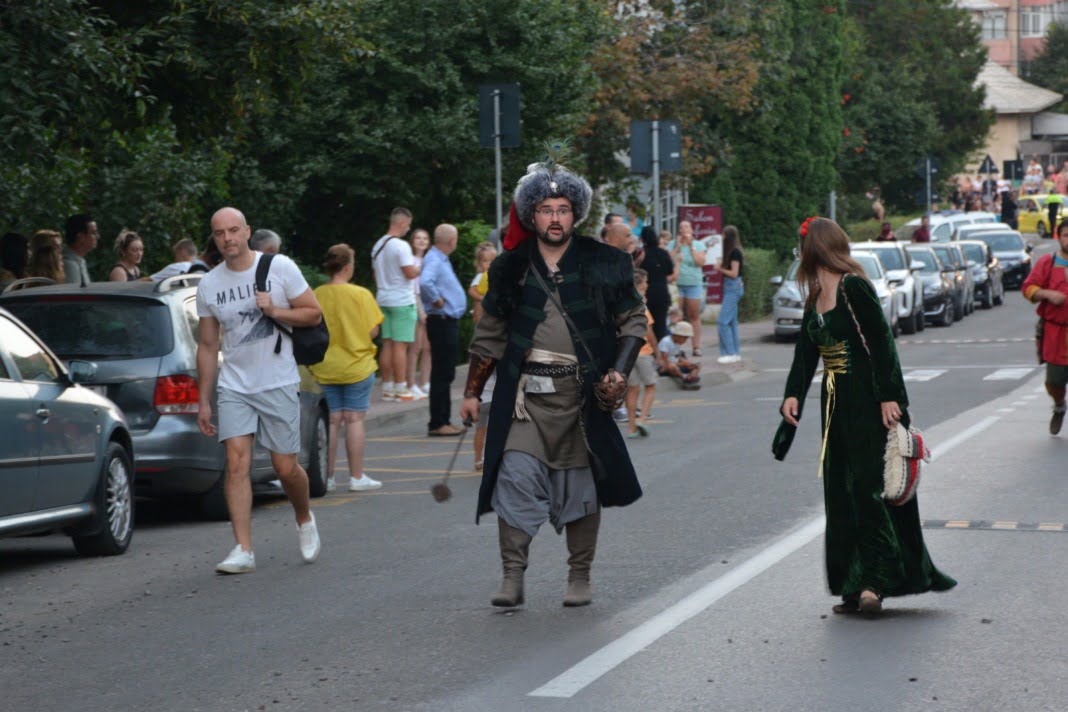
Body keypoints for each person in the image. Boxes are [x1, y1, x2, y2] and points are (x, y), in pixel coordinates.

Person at [459, 156, 647, 608]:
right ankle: (512, 576)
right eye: (546, 209)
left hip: (581, 397)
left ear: (575, 214)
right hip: (524, 399)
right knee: (513, 478)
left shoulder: (606, 262)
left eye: (563, 209)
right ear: (532, 215)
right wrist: (471, 392)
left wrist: (619, 370)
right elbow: (490, 333)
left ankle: (579, 576)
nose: (555, 218)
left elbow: (634, 320)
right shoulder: (509, 268)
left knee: (581, 489)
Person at [776, 216, 956, 614]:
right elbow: (806, 352)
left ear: (815, 248)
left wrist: (889, 396)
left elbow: (881, 341)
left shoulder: (853, 286)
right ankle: (852, 584)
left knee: (868, 490)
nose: (799, 252)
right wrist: (792, 394)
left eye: (802, 245)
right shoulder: (814, 295)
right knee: (839, 494)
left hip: (866, 401)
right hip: (834, 405)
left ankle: (876, 581)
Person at [195, 207, 323, 574]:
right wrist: (203, 400)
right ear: (214, 238)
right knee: (237, 464)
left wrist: (277, 311)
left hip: (277, 380)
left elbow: (313, 313)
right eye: (220, 233)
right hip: (235, 384)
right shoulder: (209, 284)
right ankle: (243, 549)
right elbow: (208, 345)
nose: (228, 238)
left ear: (247, 231)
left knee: (285, 467)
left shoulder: (279, 267)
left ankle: (304, 517)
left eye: (234, 230)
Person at [309, 244, 384, 491]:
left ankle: (327, 477)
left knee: (332, 421)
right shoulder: (361, 294)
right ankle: (356, 477)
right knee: (354, 419)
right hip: (357, 365)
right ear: (348, 266)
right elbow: (373, 331)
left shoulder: (317, 294)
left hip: (325, 366)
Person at [420, 223, 467, 437]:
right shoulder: (435, 259)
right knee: (442, 372)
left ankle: (443, 420)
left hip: (445, 320)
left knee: (445, 372)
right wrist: (436, 299)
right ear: (452, 241)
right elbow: (425, 282)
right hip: (442, 320)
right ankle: (438, 422)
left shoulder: (439, 259)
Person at [1023, 222, 1068, 435]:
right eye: (1066, 235)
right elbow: (1028, 287)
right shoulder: (1047, 263)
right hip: (1056, 334)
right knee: (1054, 381)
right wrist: (1047, 294)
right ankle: (1059, 405)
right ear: (1059, 237)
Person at [371, 208, 420, 402]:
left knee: (388, 344)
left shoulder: (378, 245)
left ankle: (387, 387)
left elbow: (375, 274)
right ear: (402, 223)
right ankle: (401, 388)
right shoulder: (401, 246)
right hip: (402, 301)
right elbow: (409, 273)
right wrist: (418, 268)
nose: (408, 229)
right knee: (400, 346)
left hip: (383, 299)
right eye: (408, 225)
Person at [625, 269, 657, 438]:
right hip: (643, 351)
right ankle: (642, 418)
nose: (647, 285)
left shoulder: (623, 305)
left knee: (632, 389)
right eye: (645, 282)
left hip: (627, 352)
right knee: (650, 386)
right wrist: (657, 352)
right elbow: (649, 332)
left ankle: (631, 427)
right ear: (639, 286)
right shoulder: (641, 306)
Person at [669, 220, 707, 356]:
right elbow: (667, 260)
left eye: (686, 227)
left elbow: (700, 262)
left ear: (691, 230)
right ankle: (675, 348)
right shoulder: (673, 244)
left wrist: (692, 247)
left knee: (694, 316)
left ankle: (696, 347)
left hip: (693, 283)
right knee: (676, 315)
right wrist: (677, 247)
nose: (684, 229)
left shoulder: (698, 244)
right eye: (681, 227)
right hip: (677, 284)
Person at [406, 228, 432, 400]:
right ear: (412, 241)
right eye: (418, 238)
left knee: (428, 347)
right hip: (415, 306)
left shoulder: (429, 261)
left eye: (425, 238)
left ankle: (425, 382)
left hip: (430, 308)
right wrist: (421, 312)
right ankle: (411, 383)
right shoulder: (410, 261)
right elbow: (413, 289)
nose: (422, 241)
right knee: (416, 348)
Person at [712, 225, 745, 364]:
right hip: (731, 287)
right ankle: (735, 353)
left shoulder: (735, 252)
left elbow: (734, 273)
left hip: (733, 287)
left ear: (728, 237)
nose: (722, 237)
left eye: (724, 234)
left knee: (722, 321)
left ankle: (729, 353)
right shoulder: (730, 252)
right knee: (732, 322)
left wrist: (720, 269)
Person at [639, 226, 675, 342]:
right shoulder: (663, 253)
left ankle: (650, 349)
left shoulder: (641, 254)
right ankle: (660, 349)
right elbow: (670, 271)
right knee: (661, 325)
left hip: (646, 292)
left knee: (646, 325)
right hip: (661, 292)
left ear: (642, 239)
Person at [657, 320, 700, 389]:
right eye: (685, 338)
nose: (685, 341)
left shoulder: (677, 343)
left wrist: (687, 363)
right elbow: (664, 361)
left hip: (676, 365)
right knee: (672, 366)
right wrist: (681, 364)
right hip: (664, 367)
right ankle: (685, 378)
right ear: (678, 335)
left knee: (696, 366)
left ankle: (691, 379)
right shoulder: (666, 342)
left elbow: (677, 356)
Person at [62, 213, 99, 286]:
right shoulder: (69, 264)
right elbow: (74, 293)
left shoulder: (79, 260)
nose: (98, 236)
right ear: (81, 237)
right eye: (93, 233)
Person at [468, 241, 498, 324]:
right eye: (485, 261)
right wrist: (481, 298)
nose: (489, 263)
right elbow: (471, 291)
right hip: (481, 310)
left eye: (492, 260)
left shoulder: (497, 276)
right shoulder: (480, 276)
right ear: (479, 263)